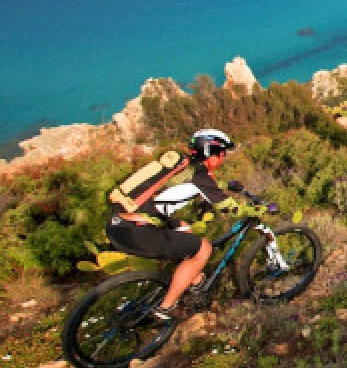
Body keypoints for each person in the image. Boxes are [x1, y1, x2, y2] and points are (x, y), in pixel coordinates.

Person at [105, 129, 267, 324]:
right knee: (203, 248)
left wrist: (224, 185)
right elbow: (228, 207)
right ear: (210, 153)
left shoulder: (183, 164)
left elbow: (189, 185)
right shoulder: (200, 177)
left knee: (183, 228)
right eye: (222, 153)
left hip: (118, 224)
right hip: (136, 233)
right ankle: (166, 308)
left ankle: (194, 280)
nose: (223, 158)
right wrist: (258, 210)